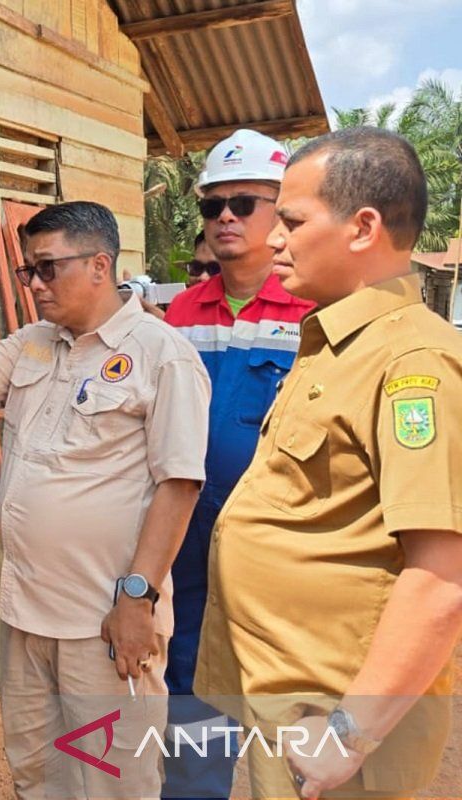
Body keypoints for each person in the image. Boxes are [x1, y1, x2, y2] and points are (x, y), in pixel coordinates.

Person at [195, 127, 462, 799]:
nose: (275, 239)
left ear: (363, 227)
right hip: (286, 695)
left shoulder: (412, 364)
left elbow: (442, 577)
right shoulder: (336, 342)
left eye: (291, 220)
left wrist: (351, 733)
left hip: (333, 715)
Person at [0, 201, 211, 799]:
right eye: (30, 270)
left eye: (47, 268)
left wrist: (137, 599)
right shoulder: (36, 343)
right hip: (26, 613)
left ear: (100, 265)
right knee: (38, 771)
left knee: (114, 782)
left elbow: (179, 485)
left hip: (104, 621)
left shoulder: (162, 355)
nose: (34, 284)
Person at [162, 129, 316, 799]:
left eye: (244, 203)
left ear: (281, 211)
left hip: (283, 549)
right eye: (212, 206)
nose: (224, 217)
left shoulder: (317, 312)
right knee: (192, 687)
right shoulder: (179, 313)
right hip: (188, 539)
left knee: (289, 705)